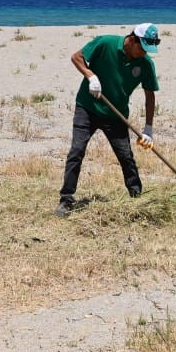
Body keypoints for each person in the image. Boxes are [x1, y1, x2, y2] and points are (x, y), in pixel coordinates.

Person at [56, 23, 160, 216]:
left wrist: (148, 130)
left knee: (126, 156)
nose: (144, 53)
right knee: (76, 151)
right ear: (132, 40)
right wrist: (91, 76)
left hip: (116, 114)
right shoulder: (105, 43)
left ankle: (137, 196)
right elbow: (76, 57)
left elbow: (150, 96)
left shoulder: (145, 64)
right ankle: (66, 200)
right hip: (88, 108)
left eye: (148, 50)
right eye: (142, 48)